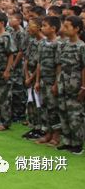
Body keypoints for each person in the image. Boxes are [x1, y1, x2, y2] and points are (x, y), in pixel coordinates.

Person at [56, 16, 85, 154]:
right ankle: (67, 141)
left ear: (77, 29)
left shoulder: (82, 47)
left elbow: (84, 68)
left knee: (75, 115)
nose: (64, 29)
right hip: (63, 83)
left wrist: (83, 87)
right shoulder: (63, 44)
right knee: (63, 112)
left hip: (75, 85)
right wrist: (57, 82)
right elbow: (60, 65)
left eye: (68, 27)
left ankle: (77, 143)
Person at [34, 16, 62, 146]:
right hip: (43, 80)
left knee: (53, 108)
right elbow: (39, 63)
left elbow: (59, 66)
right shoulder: (42, 43)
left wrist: (56, 84)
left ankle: (56, 135)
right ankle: (48, 132)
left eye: (45, 26)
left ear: (53, 28)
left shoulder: (58, 44)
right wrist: (37, 81)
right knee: (44, 107)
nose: (42, 28)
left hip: (52, 81)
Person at [21, 18, 46, 140]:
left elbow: (40, 63)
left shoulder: (44, 43)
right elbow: (26, 59)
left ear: (38, 27)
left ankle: (41, 128)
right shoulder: (32, 41)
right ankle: (35, 126)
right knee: (30, 102)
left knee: (38, 103)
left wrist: (32, 78)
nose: (28, 28)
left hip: (37, 77)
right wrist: (26, 75)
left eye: (31, 26)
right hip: (29, 75)